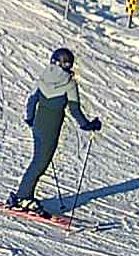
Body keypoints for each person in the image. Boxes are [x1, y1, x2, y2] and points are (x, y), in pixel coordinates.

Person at [9, 47, 100, 214]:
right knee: (39, 164)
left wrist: (30, 119)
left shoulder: (44, 76)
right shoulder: (69, 84)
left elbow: (32, 100)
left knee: (37, 161)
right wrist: (88, 125)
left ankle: (23, 195)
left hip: (38, 125)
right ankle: (23, 197)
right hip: (51, 130)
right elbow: (74, 109)